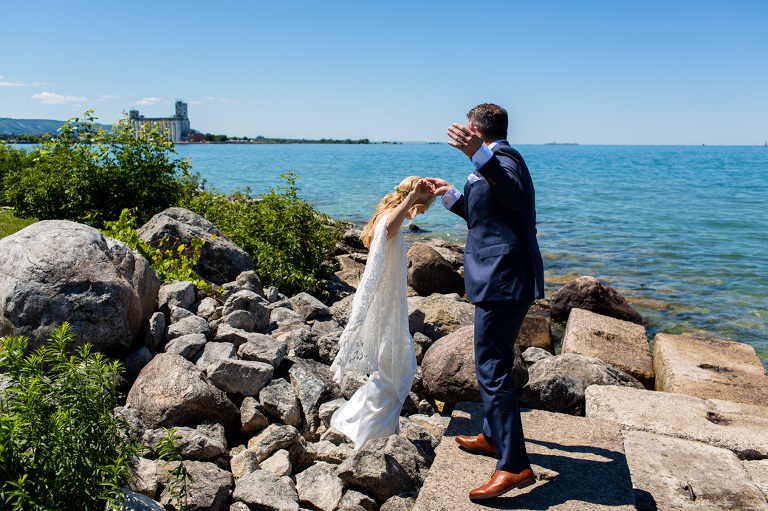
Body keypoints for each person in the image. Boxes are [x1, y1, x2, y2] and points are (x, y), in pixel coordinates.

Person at [423, 103, 544, 500]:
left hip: (504, 278)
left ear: (476, 129)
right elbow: (486, 217)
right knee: (497, 360)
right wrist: (450, 195)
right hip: (500, 277)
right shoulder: (492, 163)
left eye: (468, 129)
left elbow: (513, 196)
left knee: (490, 366)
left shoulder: (505, 158)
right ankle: (493, 437)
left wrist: (478, 154)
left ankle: (514, 465)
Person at [330, 176, 434, 449]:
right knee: (393, 374)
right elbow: (388, 228)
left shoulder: (386, 215)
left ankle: (372, 428)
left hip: (387, 306)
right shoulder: (389, 219)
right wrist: (413, 197)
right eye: (424, 207)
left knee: (393, 370)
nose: (423, 213)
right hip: (383, 308)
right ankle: (369, 439)